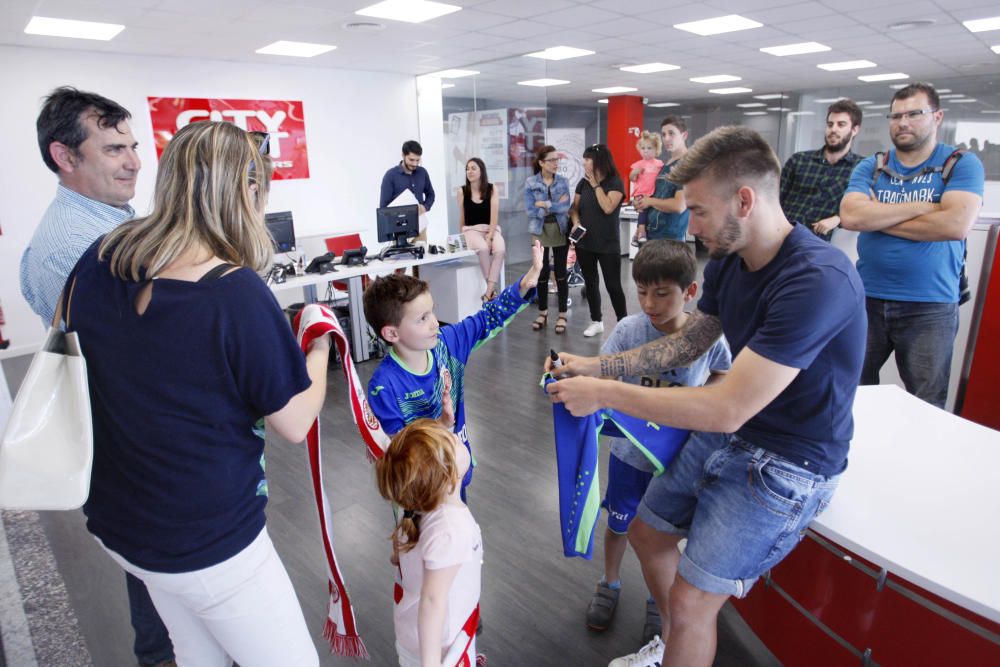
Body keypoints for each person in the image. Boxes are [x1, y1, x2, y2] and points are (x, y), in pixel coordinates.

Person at [546, 126, 867, 667]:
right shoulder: (728, 261)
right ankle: (673, 647)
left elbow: (726, 407)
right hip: (739, 436)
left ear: (745, 200)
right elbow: (686, 345)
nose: (689, 225)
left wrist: (605, 393)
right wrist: (596, 364)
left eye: (697, 210)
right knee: (647, 534)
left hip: (793, 462)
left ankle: (682, 637)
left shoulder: (818, 278)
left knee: (694, 600)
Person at [67, 121, 328, 666]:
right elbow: (295, 421)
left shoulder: (99, 257)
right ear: (247, 190)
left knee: (194, 652)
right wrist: (322, 346)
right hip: (209, 541)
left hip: (124, 525)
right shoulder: (234, 293)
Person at [18, 86, 175, 667]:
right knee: (159, 605)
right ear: (65, 156)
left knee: (157, 589)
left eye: (134, 145)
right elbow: (150, 354)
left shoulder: (105, 224)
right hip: (134, 452)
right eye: (113, 148)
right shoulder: (83, 245)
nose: (135, 161)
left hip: (131, 448)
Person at [584, 240, 731, 644]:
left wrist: (700, 402)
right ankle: (609, 582)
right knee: (618, 522)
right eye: (642, 291)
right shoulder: (630, 330)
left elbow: (723, 373)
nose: (649, 302)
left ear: (690, 292)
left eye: (662, 293)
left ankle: (656, 596)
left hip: (678, 461)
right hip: (629, 457)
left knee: (666, 535)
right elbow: (604, 376)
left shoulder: (708, 338)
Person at [840, 82, 985, 408]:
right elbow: (850, 216)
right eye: (896, 115)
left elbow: (954, 225)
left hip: (930, 306)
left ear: (937, 117)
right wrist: (925, 206)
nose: (902, 122)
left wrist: (879, 215)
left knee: (926, 400)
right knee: (850, 387)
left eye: (914, 114)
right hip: (867, 299)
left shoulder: (961, 164)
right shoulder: (873, 166)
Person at [364, 241, 543, 496]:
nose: (435, 323)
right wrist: (440, 425)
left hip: (456, 474)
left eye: (432, 312)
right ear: (392, 333)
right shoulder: (384, 386)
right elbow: (397, 452)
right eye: (422, 318)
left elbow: (487, 318)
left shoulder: (447, 344)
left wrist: (525, 284)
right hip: (418, 493)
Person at [375, 419, 484, 667]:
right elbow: (433, 603)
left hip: (414, 634)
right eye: (452, 440)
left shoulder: (415, 509)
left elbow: (398, 557)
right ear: (447, 475)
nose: (455, 435)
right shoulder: (451, 530)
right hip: (441, 648)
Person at [780, 99, 863, 241]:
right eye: (830, 124)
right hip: (783, 237)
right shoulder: (799, 160)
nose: (833, 129)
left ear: (854, 130)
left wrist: (838, 219)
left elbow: (863, 206)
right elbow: (775, 199)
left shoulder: (861, 168)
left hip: (819, 245)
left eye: (841, 124)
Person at [571, 143, 627, 337]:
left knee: (613, 286)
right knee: (591, 282)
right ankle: (596, 321)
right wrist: (575, 222)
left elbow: (608, 207)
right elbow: (574, 208)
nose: (584, 162)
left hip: (608, 244)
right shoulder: (582, 183)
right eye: (584, 159)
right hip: (585, 243)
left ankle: (623, 323)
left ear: (599, 161)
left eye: (588, 159)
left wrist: (596, 185)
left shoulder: (615, 183)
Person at [524, 145, 572, 334]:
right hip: (539, 230)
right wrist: (553, 205)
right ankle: (542, 312)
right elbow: (529, 210)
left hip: (560, 228)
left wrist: (543, 204)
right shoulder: (530, 182)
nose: (556, 164)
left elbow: (565, 207)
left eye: (557, 160)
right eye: (552, 160)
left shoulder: (563, 181)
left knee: (561, 273)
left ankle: (562, 314)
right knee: (541, 274)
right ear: (542, 162)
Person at [634, 116, 690, 243]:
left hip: (669, 240)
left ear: (684, 135)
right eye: (663, 134)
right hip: (650, 235)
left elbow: (679, 205)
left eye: (671, 133)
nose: (666, 139)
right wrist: (641, 203)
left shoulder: (687, 165)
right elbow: (655, 196)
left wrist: (650, 201)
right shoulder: (665, 165)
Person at [457, 157, 505, 302]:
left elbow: (494, 215)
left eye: (473, 168)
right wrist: (461, 236)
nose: (469, 171)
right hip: (471, 230)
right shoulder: (462, 191)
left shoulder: (492, 189)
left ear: (481, 171)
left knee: (500, 249)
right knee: (483, 249)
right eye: (467, 169)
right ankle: (491, 292)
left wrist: (490, 236)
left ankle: (488, 292)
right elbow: (462, 216)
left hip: (491, 228)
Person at [380, 139, 436, 214]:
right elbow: (383, 208)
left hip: (420, 222)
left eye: (417, 160)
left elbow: (431, 194)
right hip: (398, 223)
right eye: (411, 160)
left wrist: (425, 207)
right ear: (403, 155)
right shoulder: (390, 176)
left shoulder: (423, 172)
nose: (415, 164)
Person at [629, 131, 664, 244]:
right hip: (641, 193)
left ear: (656, 150)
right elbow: (632, 178)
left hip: (654, 193)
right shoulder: (638, 164)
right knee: (642, 212)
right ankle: (642, 231)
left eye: (649, 148)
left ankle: (636, 235)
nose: (646, 150)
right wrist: (635, 173)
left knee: (649, 215)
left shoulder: (659, 164)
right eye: (643, 148)